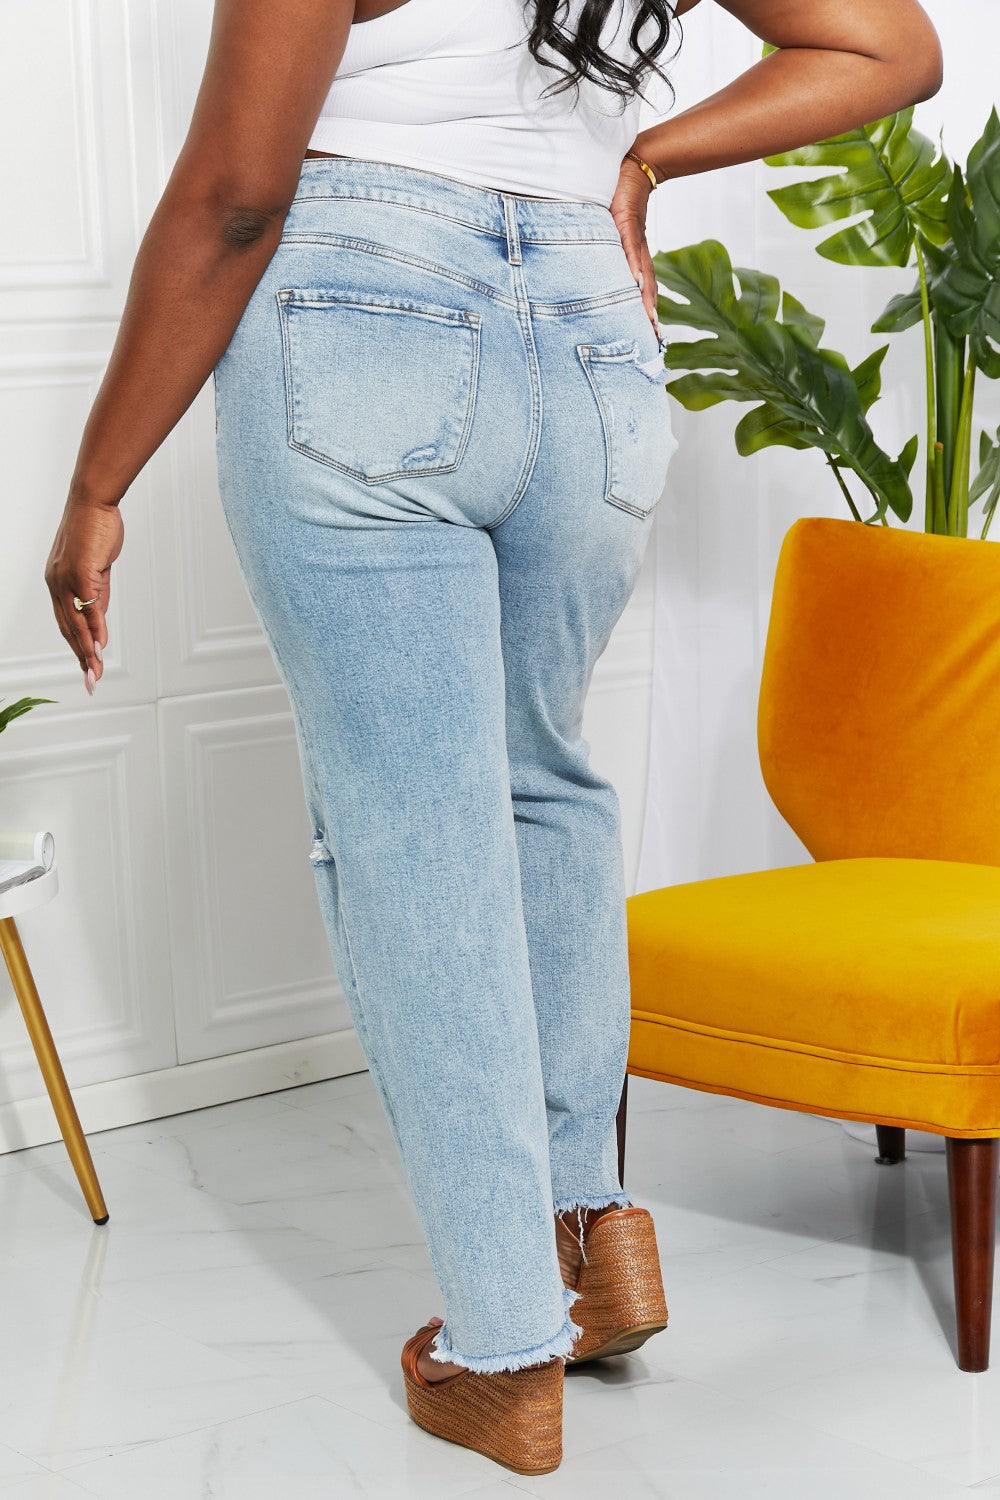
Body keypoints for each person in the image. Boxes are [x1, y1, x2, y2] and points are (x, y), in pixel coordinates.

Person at [44, 0, 943, 1477]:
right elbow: (889, 46)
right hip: (590, 333)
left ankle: (504, 1346)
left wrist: (96, 481)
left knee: (417, 841)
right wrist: (639, 158)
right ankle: (595, 1245)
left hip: (363, 308)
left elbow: (237, 193)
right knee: (544, 787)